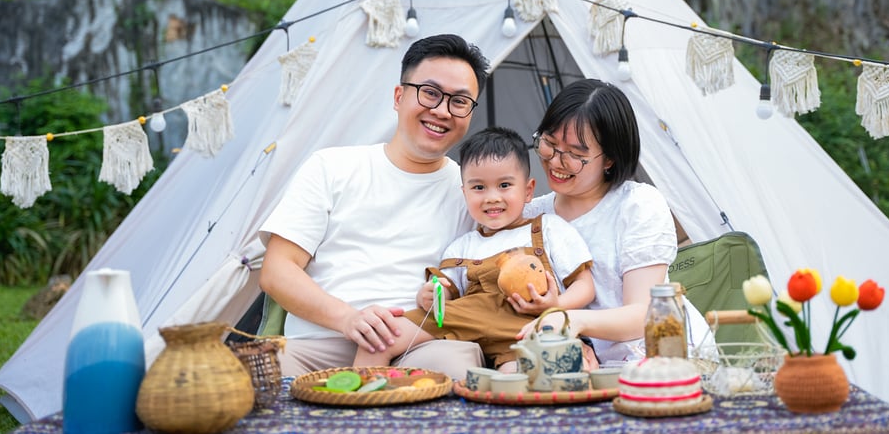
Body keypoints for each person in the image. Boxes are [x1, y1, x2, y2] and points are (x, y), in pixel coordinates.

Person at [258, 33, 490, 377]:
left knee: (455, 367)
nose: (442, 111)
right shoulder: (331, 167)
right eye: (430, 93)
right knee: (259, 374)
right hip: (320, 341)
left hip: (417, 346)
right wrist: (349, 319)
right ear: (399, 96)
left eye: (459, 101)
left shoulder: (474, 193)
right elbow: (277, 270)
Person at [352, 127, 595, 370]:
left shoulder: (549, 228)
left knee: (520, 379)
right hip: (467, 320)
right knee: (380, 338)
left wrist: (555, 305)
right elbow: (445, 290)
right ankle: (360, 390)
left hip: (527, 325)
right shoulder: (462, 245)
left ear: (528, 190)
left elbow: (585, 286)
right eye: (479, 188)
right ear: (465, 193)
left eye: (504, 185)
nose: (491, 197)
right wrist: (430, 294)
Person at [513, 79, 713, 363]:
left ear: (609, 159)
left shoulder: (637, 205)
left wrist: (569, 319)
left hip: (665, 358)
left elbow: (643, 314)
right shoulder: (529, 215)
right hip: (580, 368)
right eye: (549, 144)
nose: (556, 161)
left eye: (575, 154)